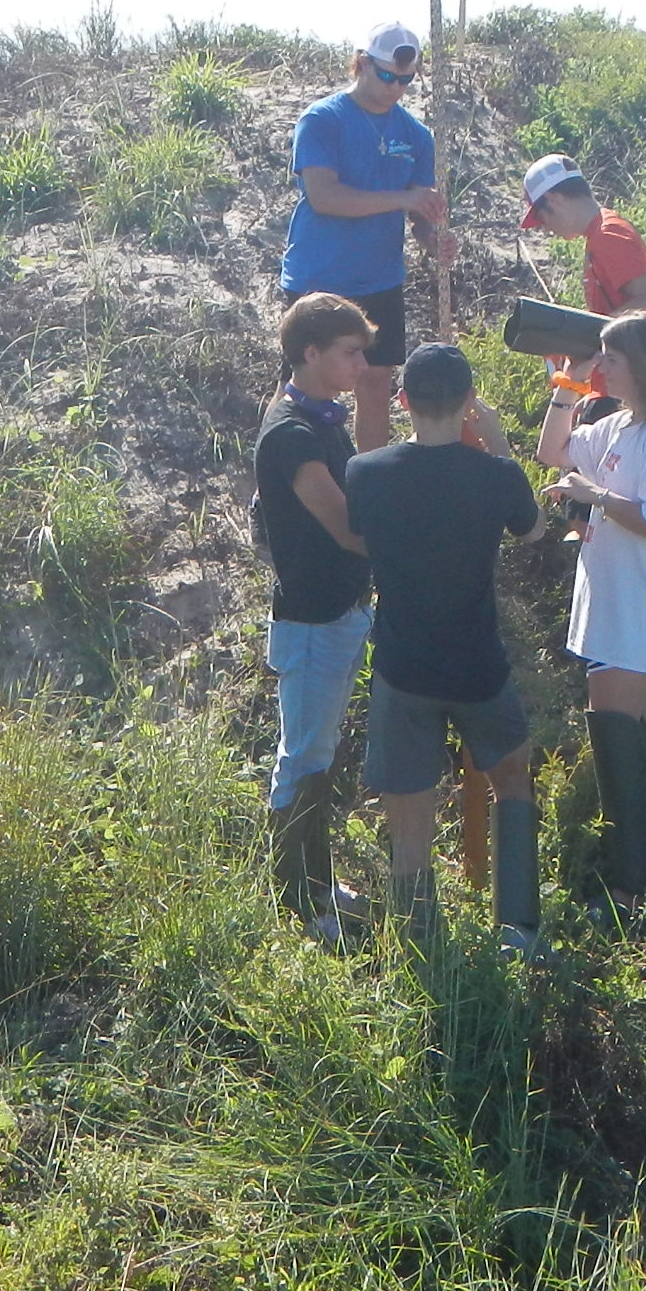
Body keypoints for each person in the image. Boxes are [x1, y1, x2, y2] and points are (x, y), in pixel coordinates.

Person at [340, 342, 560, 952]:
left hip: (403, 665)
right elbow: (535, 527)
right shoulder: (496, 476)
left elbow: (359, 527)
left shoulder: (366, 472)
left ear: (402, 399)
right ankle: (518, 928)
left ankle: (422, 948)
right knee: (512, 780)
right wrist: (498, 444)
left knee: (409, 812)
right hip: (478, 664)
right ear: (468, 403)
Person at [540, 312, 646, 919]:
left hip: (642, 604)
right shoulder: (618, 425)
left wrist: (593, 496)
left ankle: (633, 890)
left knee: (617, 730)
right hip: (612, 603)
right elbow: (552, 451)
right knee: (626, 730)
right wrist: (568, 386)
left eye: (610, 357)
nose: (601, 365)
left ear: (641, 362)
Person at [256, 292, 378, 943]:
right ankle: (301, 906)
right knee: (302, 758)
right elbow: (345, 524)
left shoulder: (324, 416)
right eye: (351, 353)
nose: (363, 365)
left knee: (319, 754)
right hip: (311, 620)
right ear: (311, 353)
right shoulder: (293, 432)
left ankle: (314, 885)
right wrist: (418, 546)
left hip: (340, 612)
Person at [279, 22, 453, 451]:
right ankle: (275, 479)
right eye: (388, 76)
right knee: (299, 388)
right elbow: (324, 197)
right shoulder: (323, 120)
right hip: (318, 278)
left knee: (375, 386)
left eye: (406, 80)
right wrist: (403, 198)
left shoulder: (416, 136)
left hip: (379, 280)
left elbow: (420, 218)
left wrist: (433, 241)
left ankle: (366, 484)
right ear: (361, 64)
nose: (396, 87)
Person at [518, 151, 646, 427]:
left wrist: (582, 334)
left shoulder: (609, 235)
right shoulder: (598, 235)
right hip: (620, 388)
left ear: (555, 200)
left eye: (541, 217)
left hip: (635, 391)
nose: (545, 228)